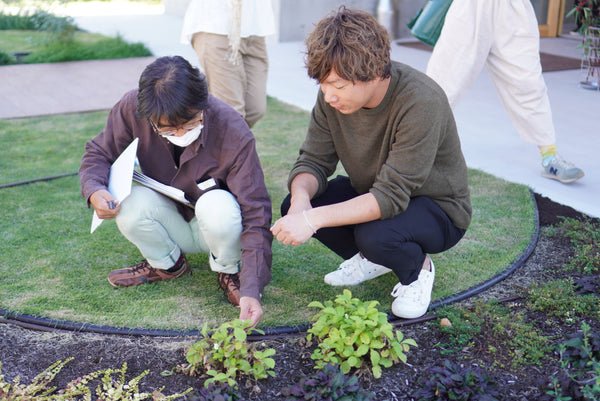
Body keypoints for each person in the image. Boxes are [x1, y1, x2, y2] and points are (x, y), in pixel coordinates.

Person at [270, 7, 472, 319]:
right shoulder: (330, 100)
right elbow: (313, 160)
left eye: (338, 85)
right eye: (323, 84)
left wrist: (313, 220)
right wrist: (301, 203)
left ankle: (417, 270)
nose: (329, 95)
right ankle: (376, 258)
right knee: (299, 202)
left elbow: (391, 195)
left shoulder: (421, 101)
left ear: (375, 73)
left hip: (438, 207)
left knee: (375, 235)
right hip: (378, 191)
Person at [79, 56, 272, 327]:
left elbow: (256, 212)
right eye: (167, 128)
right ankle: (167, 264)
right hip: (171, 216)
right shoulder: (130, 108)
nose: (181, 132)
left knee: (217, 205)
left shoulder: (232, 128)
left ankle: (229, 269)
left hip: (221, 227)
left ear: (203, 103)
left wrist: (252, 287)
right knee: (130, 204)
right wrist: (94, 190)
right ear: (147, 116)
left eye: (190, 123)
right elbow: (99, 152)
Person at [426, 0, 584, 184]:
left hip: (513, 8)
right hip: (472, 6)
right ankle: (412, 147)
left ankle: (550, 157)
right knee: (444, 81)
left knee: (528, 81)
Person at [181, 0, 275, 128]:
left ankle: (214, 141)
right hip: (217, 26)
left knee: (255, 109)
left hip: (254, 27)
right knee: (233, 114)